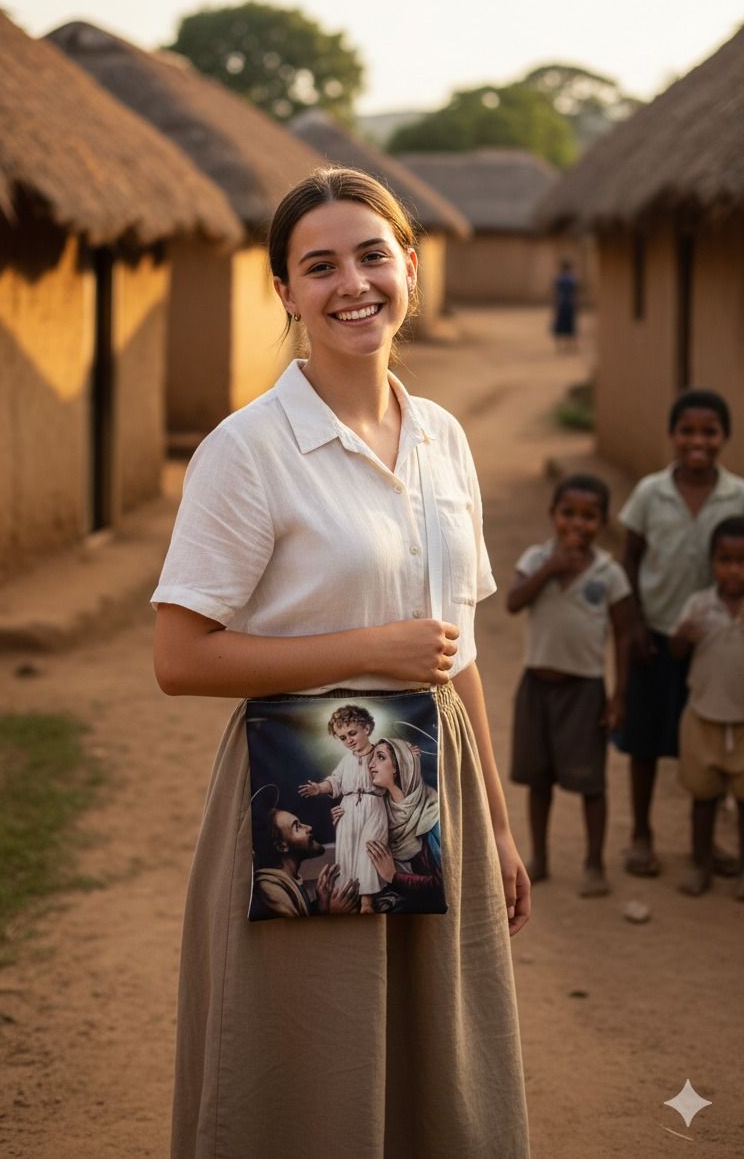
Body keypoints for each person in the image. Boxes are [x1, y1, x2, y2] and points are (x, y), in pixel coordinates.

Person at [152, 167, 531, 1159]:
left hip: (430, 779)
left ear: (409, 263)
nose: (351, 284)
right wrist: (370, 651)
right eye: (318, 266)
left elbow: (462, 651)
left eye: (371, 255)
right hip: (302, 783)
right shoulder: (248, 451)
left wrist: (495, 817)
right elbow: (178, 657)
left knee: (439, 1058)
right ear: (284, 291)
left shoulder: (443, 438)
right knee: (308, 1065)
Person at [617, 389, 744, 877]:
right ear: (672, 436)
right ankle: (642, 835)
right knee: (645, 740)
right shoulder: (651, 492)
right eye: (687, 431)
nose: (697, 441)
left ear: (724, 437)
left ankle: (707, 846)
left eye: (708, 431)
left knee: (716, 740)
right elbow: (629, 556)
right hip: (656, 634)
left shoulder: (737, 495)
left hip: (714, 643)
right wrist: (633, 625)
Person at [506, 474, 633, 896]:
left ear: (603, 521)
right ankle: (539, 857)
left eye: (589, 516)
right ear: (553, 515)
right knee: (538, 778)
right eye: (568, 514)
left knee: (590, 781)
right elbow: (513, 602)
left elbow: (624, 635)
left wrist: (618, 697)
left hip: (584, 692)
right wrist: (550, 567)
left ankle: (594, 864)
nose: (577, 524)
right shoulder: (535, 558)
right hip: (537, 688)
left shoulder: (609, 572)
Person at [669, 517, 744, 899]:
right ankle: (700, 864)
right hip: (702, 717)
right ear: (712, 562)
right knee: (703, 798)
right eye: (725, 559)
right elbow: (676, 651)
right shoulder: (700, 605)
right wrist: (683, 637)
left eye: (741, 560)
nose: (733, 569)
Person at [297, 704, 388, 913]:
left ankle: (367, 902)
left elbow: (394, 775)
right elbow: (336, 781)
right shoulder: (346, 760)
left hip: (373, 807)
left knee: (368, 849)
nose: (349, 741)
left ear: (366, 728)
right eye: (343, 737)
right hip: (348, 810)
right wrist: (318, 788)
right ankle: (351, 896)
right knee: (347, 852)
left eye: (352, 733)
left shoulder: (381, 753)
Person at [365, 736, 445, 913]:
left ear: (398, 766)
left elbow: (441, 885)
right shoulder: (378, 810)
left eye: (380, 757)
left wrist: (394, 877)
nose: (370, 765)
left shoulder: (431, 814)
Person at [251, 806, 360, 918]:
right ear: (282, 846)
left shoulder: (289, 880)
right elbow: (293, 934)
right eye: (297, 827)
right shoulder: (269, 888)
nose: (309, 827)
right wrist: (333, 913)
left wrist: (322, 905)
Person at [551, 259, 578, 351]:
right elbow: (575, 293)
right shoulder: (572, 279)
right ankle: (570, 346)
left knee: (560, 325)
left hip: (561, 303)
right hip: (569, 304)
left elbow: (555, 292)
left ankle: (559, 347)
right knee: (570, 326)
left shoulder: (559, 279)